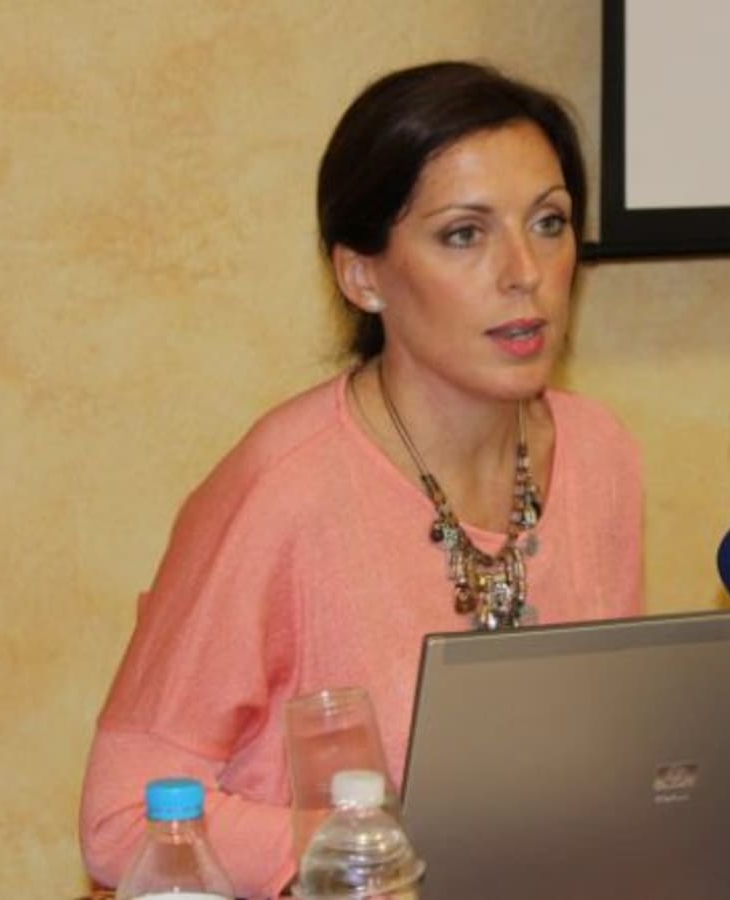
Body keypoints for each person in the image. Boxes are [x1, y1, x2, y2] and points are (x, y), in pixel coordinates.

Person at [79, 60, 643, 899]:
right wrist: (365, 852)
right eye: (465, 234)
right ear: (362, 276)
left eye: (549, 223)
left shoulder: (601, 453)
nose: (524, 270)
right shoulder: (283, 487)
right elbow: (121, 818)